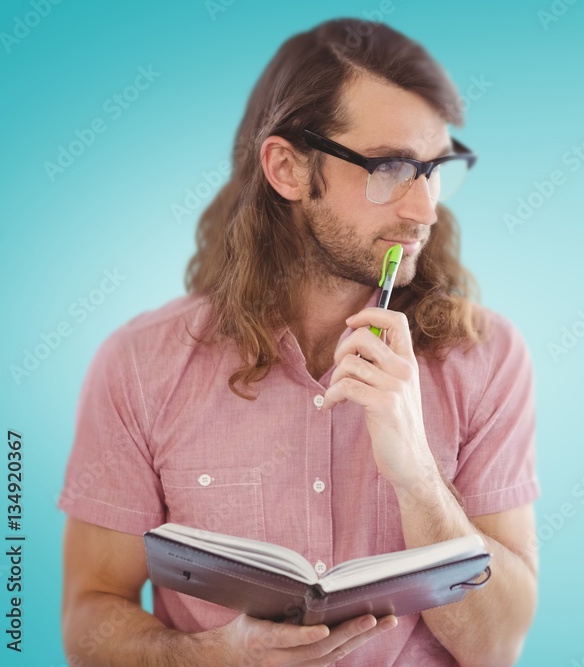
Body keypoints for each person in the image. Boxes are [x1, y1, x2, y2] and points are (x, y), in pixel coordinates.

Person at [57, 17, 539, 666]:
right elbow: (89, 617)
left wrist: (418, 476)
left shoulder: (488, 357)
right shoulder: (140, 364)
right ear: (286, 167)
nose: (425, 209)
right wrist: (212, 657)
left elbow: (500, 645)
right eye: (391, 167)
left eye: (434, 169)